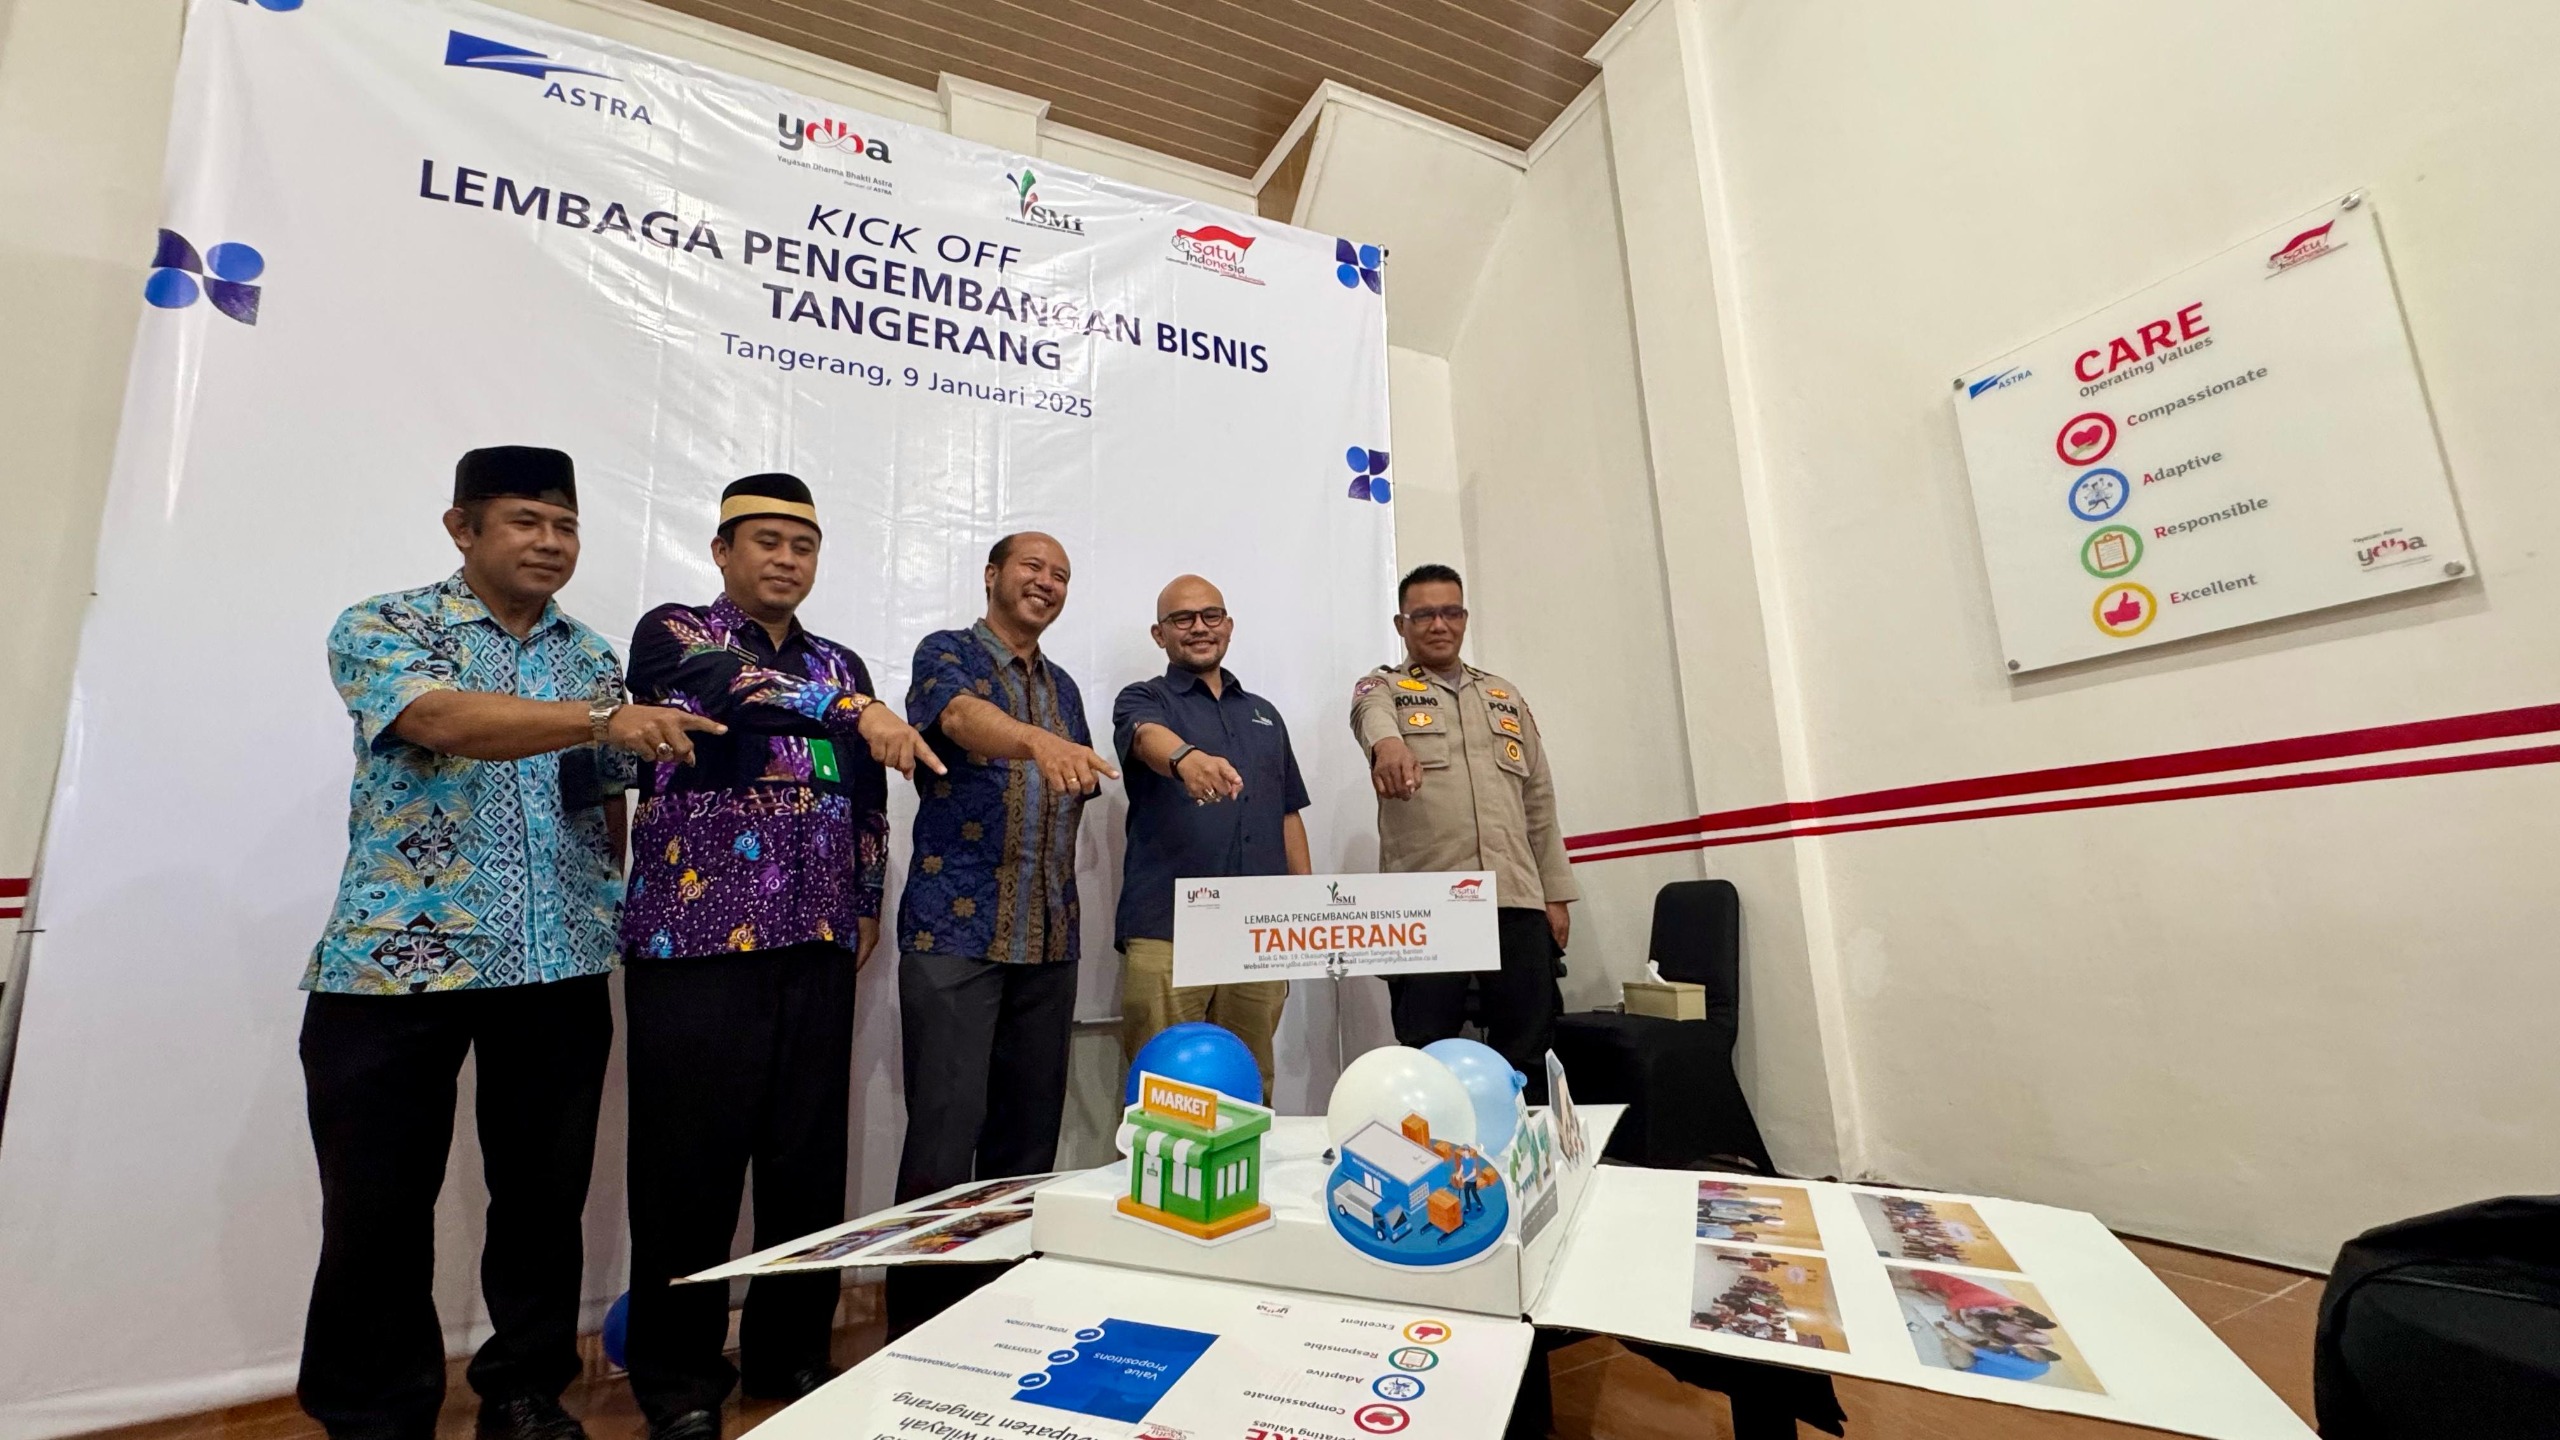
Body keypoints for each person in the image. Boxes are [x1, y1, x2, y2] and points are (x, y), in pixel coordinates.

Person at [299, 446, 720, 1440]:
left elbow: (604, 804)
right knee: (377, 1207)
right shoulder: (389, 624)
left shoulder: (591, 655)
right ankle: (375, 1414)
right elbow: (442, 720)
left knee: (541, 1202)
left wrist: (612, 902)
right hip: (394, 964)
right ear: (463, 528)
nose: (550, 542)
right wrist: (603, 719)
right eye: (526, 521)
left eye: (564, 526)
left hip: (556, 964)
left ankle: (524, 1392)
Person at [616, 474, 943, 1440]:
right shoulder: (675, 635)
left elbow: (869, 797)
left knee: (806, 1162)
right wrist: (857, 711)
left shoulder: (841, 661)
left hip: (814, 936)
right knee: (687, 1172)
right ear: (723, 550)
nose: (786, 560)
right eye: (765, 541)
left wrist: (866, 899)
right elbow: (736, 692)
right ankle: (679, 1382)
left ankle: (790, 1351)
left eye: (802, 545)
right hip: (695, 940)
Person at [890, 533, 1117, 1324]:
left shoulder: (1065, 688)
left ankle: (1001, 1320)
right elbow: (957, 719)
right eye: (1032, 567)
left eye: (1061, 574)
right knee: (943, 1145)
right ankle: (920, 1328)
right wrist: (1037, 742)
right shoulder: (947, 653)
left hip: (1049, 938)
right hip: (954, 938)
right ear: (992, 575)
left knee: (1027, 1152)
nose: (1047, 582)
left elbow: (1074, 791)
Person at [1350, 563, 1578, 1095]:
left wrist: (1555, 894)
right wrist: (1389, 744)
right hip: (1427, 901)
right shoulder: (1383, 687)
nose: (1439, 624)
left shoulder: (1503, 695)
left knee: (1528, 1046)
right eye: (1424, 614)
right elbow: (1369, 715)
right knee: (1426, 1048)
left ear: (1464, 618)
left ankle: (1527, 1141)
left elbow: (1539, 801)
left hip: (1514, 895)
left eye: (1450, 612)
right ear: (1401, 624)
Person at [1111, 574, 1312, 1098]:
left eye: (1211, 616)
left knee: (1248, 1084)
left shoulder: (1264, 714)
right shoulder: (1143, 698)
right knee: (1164, 1089)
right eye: (1183, 619)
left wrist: (1306, 909)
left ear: (1229, 625)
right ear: (1159, 634)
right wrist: (1187, 759)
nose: (1199, 627)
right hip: (1168, 929)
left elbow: (1288, 814)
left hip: (1259, 933)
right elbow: (1146, 738)